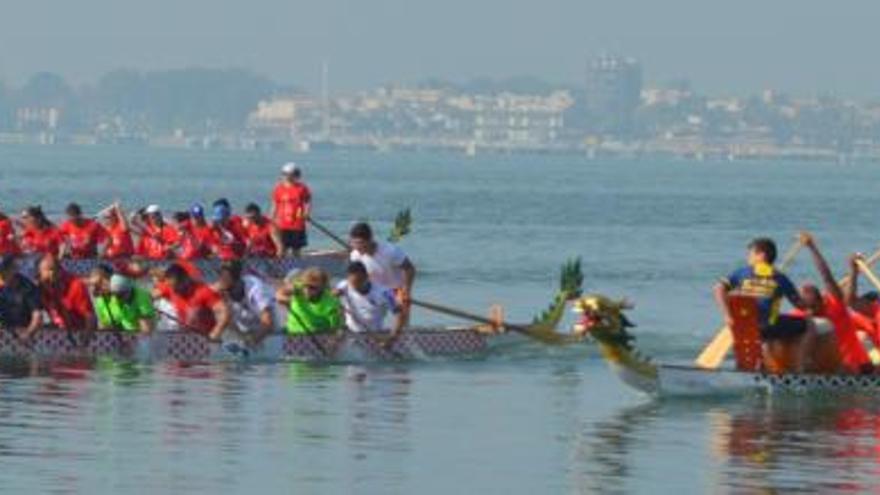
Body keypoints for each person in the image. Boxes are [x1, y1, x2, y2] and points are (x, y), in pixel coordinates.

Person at [714, 237, 814, 372]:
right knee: (808, 324)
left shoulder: (741, 273)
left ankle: (756, 364)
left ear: (761, 255)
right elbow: (800, 306)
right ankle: (797, 368)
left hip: (741, 325)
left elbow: (718, 289)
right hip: (766, 328)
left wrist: (727, 315)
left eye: (751, 254)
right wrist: (812, 300)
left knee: (770, 322)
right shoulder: (779, 277)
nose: (748, 258)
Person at [789, 233, 873, 374]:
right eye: (806, 308)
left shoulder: (835, 304)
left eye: (813, 307)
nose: (810, 312)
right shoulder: (801, 313)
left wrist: (812, 247)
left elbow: (826, 276)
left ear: (822, 300)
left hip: (857, 365)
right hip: (828, 365)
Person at [348, 222, 416, 314]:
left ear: (370, 239)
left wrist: (406, 291)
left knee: (401, 314)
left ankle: (402, 327)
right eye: (354, 243)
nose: (357, 247)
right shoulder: (355, 255)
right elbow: (356, 277)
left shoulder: (390, 251)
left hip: (396, 290)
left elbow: (410, 269)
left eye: (361, 243)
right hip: (374, 290)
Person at [154, 263, 230, 340]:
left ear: (183, 280)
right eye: (169, 284)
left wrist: (215, 333)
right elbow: (149, 297)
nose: (172, 289)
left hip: (205, 338)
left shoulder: (203, 291)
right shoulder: (170, 287)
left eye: (174, 285)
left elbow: (224, 312)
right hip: (185, 336)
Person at [334, 261, 404, 338]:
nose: (356, 287)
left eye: (359, 282)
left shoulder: (384, 292)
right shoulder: (344, 285)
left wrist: (393, 337)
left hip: (374, 334)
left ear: (367, 276)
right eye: (353, 283)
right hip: (351, 334)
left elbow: (400, 314)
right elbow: (331, 296)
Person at [213, 260, 274, 343]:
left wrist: (251, 342)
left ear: (236, 278)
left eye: (224, 275)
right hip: (246, 330)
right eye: (220, 274)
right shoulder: (222, 288)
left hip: (271, 334)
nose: (220, 278)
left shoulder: (256, 289)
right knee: (218, 312)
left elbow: (268, 323)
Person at [37, 255, 96, 332]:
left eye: (52, 270)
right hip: (57, 330)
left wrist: (85, 340)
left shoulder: (76, 286)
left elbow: (90, 317)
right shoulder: (40, 287)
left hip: (78, 331)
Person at [90, 266, 156, 334]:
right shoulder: (100, 301)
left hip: (138, 338)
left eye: (100, 282)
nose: (95, 289)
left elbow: (146, 330)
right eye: (93, 285)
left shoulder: (140, 295)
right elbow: (104, 328)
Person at [276, 267, 342, 334]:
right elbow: (279, 295)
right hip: (292, 334)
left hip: (318, 337)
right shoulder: (297, 288)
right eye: (305, 286)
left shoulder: (331, 303)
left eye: (312, 287)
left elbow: (336, 330)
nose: (307, 290)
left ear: (322, 288)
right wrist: (291, 301)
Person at [271, 162, 311, 257]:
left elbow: (307, 202)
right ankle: (281, 268)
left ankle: (297, 267)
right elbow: (274, 204)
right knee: (282, 248)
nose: (287, 177)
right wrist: (271, 219)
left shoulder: (302, 188)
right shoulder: (279, 189)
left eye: (291, 174)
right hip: (282, 224)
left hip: (297, 224)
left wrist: (306, 213)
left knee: (296, 250)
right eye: (285, 174)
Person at [0, 255, 42, 342]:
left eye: (4, 270)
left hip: (24, 330)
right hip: (4, 331)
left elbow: (37, 315)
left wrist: (28, 332)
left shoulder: (28, 287)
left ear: (13, 269)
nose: (1, 274)